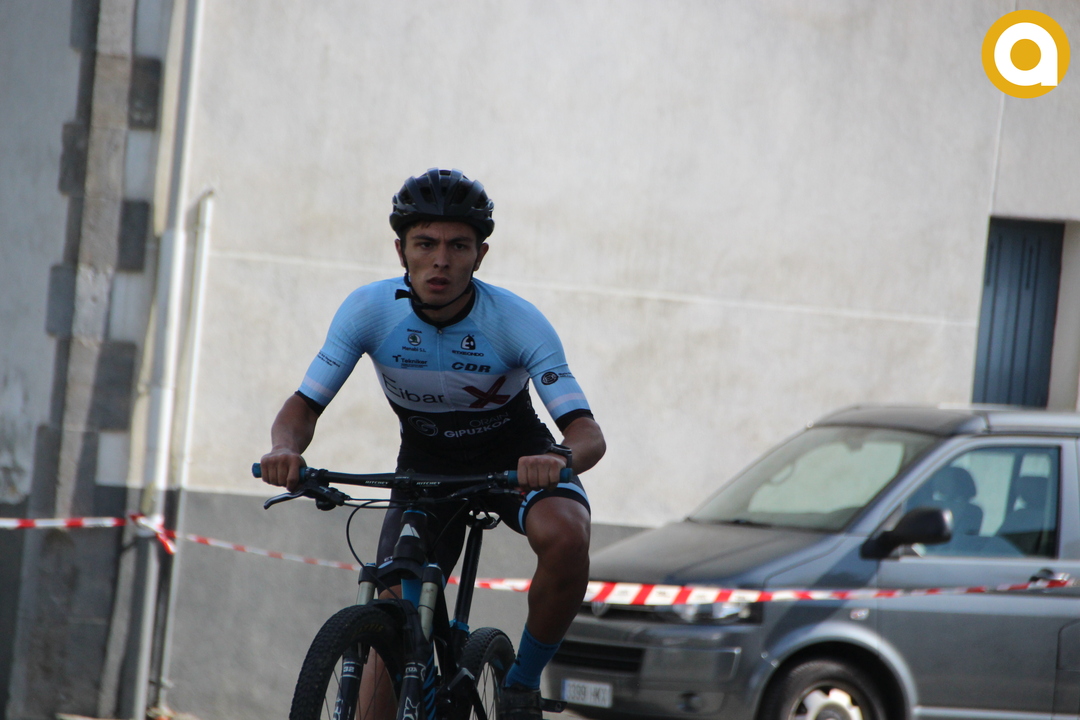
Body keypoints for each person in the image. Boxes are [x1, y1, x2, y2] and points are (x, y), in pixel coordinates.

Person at [259, 168, 606, 719]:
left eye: (457, 246)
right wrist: (285, 450)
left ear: (479, 256)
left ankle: (520, 683)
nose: (440, 260)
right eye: (425, 244)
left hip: (515, 460)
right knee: (390, 617)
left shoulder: (516, 321)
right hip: (425, 468)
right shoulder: (369, 310)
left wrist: (557, 459)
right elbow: (302, 407)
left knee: (566, 535)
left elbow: (587, 433)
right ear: (400, 250)